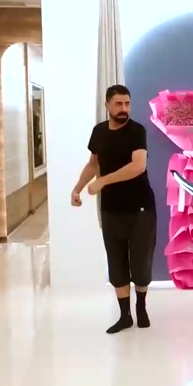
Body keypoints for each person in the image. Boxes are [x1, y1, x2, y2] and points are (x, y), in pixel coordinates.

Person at [71, 84, 157, 335]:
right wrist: (77, 188)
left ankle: (141, 307)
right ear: (107, 105)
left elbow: (138, 166)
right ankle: (125, 315)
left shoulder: (137, 131)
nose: (123, 108)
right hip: (111, 208)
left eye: (127, 103)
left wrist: (103, 181)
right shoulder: (99, 131)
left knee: (140, 263)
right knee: (116, 263)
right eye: (118, 104)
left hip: (141, 208)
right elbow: (93, 163)